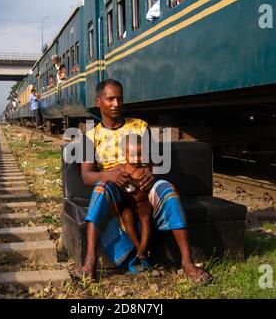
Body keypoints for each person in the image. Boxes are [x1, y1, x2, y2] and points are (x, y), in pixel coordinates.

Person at [78, 79, 213, 284]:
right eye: (110, 99)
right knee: (101, 187)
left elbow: (152, 164)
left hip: (142, 188)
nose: (116, 103)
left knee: (167, 189)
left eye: (119, 99)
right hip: (115, 190)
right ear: (99, 101)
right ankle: (90, 260)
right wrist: (109, 175)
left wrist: (151, 172)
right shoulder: (90, 136)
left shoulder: (140, 127)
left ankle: (187, 262)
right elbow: (87, 176)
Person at [117, 134, 153, 265]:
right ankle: (138, 246)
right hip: (128, 203)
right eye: (132, 155)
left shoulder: (145, 168)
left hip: (143, 203)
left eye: (140, 154)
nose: (137, 159)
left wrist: (133, 181)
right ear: (124, 153)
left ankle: (144, 246)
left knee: (146, 218)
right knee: (126, 216)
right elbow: (111, 177)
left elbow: (147, 181)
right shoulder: (121, 168)